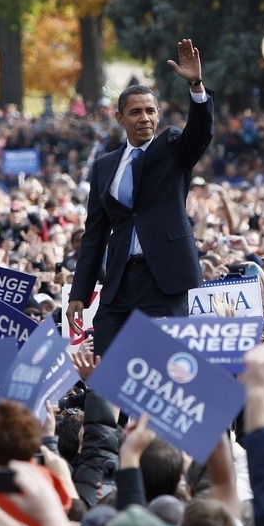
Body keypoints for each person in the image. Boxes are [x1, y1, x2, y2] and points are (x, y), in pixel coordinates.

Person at [66, 38, 214, 356]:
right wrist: (79, 292)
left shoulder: (172, 148)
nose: (144, 118)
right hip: (119, 283)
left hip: (164, 279)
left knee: (161, 367)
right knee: (105, 370)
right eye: (135, 112)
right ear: (121, 119)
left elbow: (200, 133)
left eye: (150, 111)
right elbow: (94, 234)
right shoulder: (105, 166)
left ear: (158, 116)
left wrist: (196, 85)